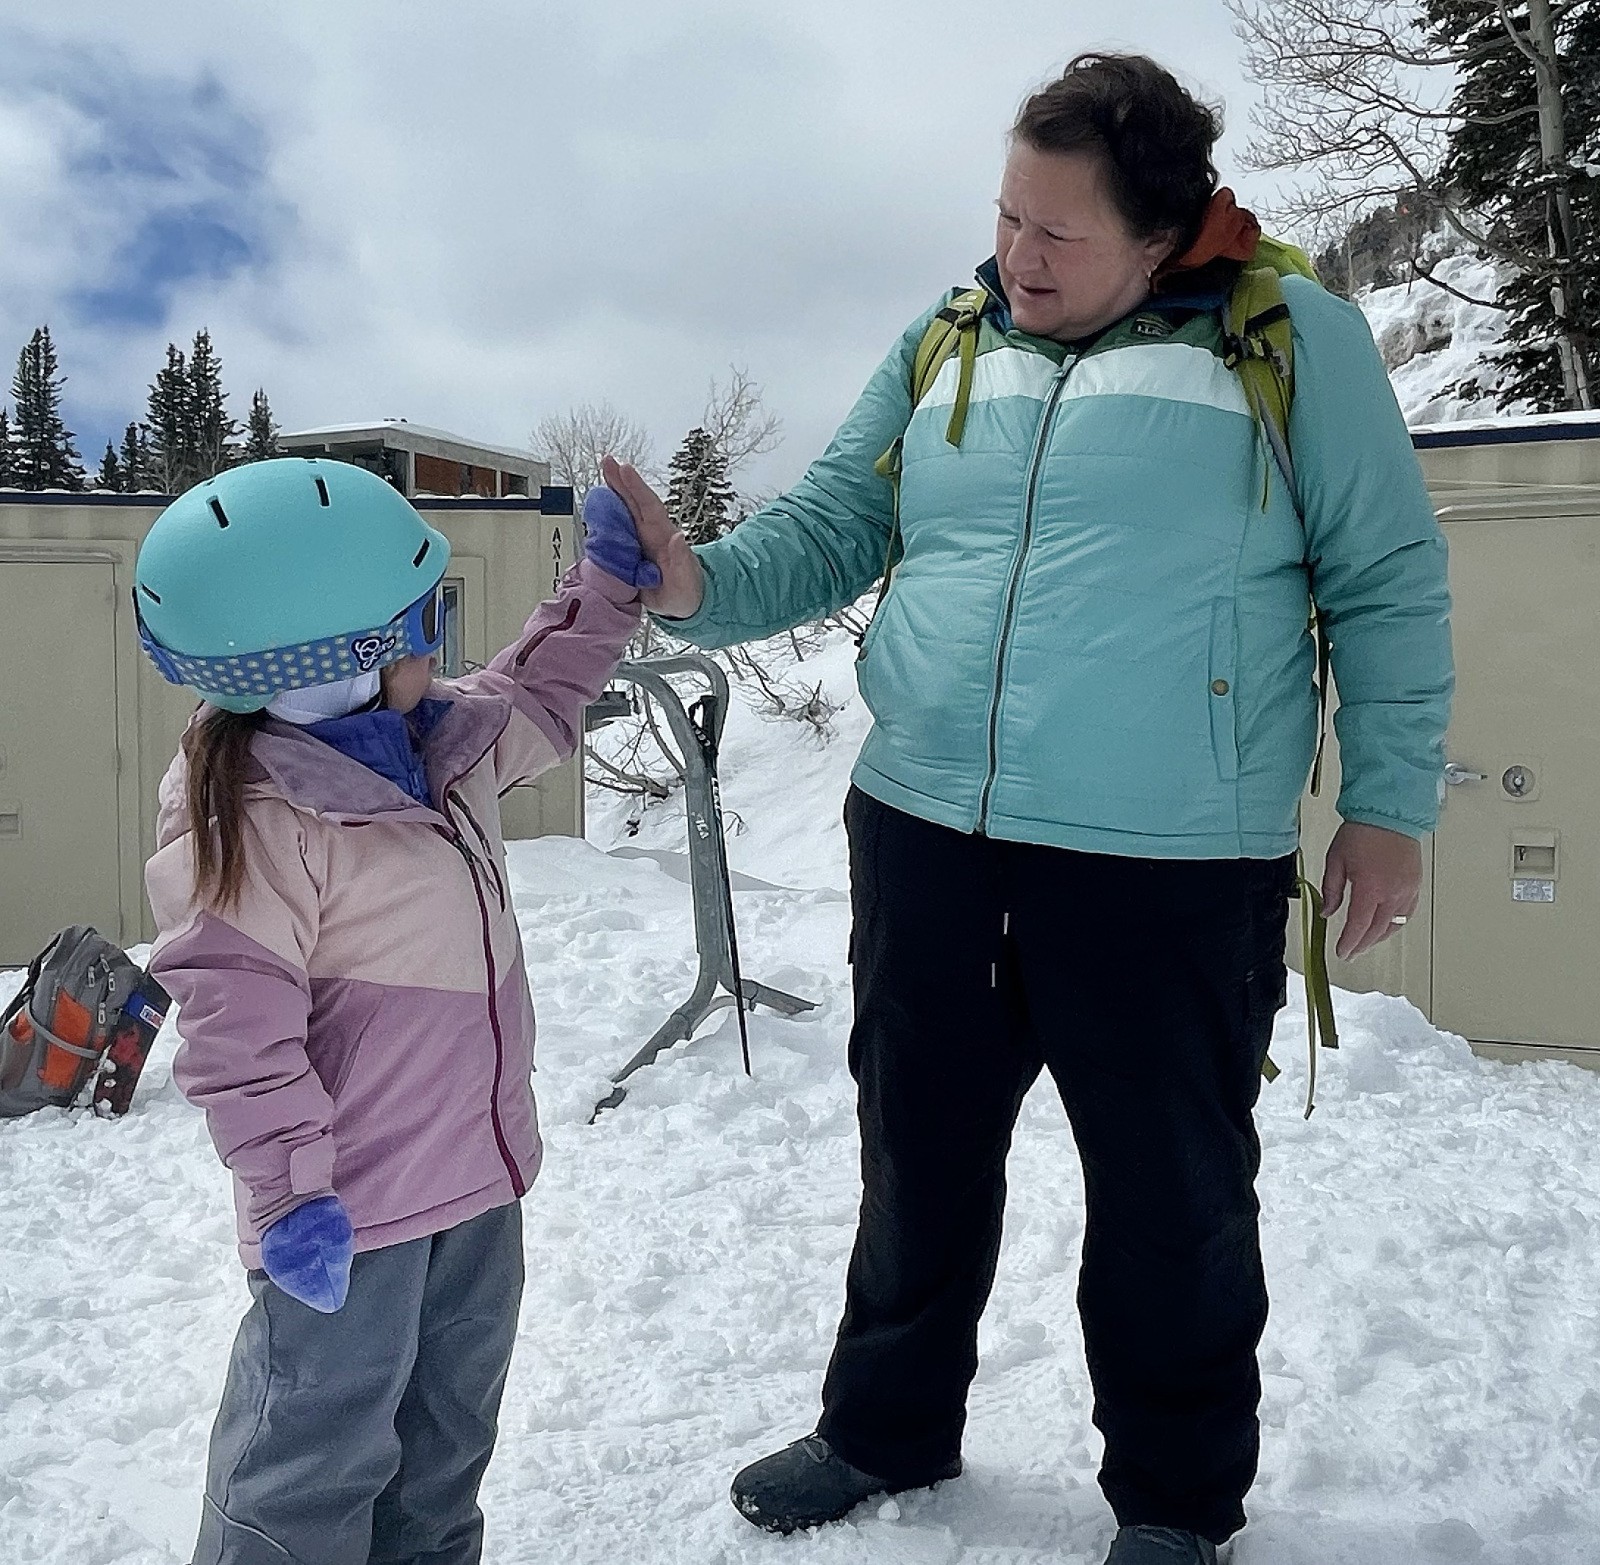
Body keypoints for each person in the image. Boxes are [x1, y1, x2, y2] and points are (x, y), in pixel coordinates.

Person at [603, 51, 1453, 1565]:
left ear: (1164, 232)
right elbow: (834, 524)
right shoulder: (948, 341)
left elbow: (1388, 583)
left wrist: (1385, 806)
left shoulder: (1288, 342)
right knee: (914, 1154)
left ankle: (1178, 1502)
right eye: (1005, 215)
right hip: (927, 826)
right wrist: (697, 585)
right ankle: (884, 1425)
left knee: (1171, 1197)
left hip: (1168, 860)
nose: (1018, 256)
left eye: (1059, 232)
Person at [137, 460, 659, 1565]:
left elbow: (540, 690)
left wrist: (606, 586)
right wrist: (289, 1196)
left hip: (476, 1186)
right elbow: (235, 1031)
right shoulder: (258, 821)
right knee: (310, 1459)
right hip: (347, 1215)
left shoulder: (442, 745)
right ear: (343, 657)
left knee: (446, 1440)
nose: (443, 638)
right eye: (424, 618)